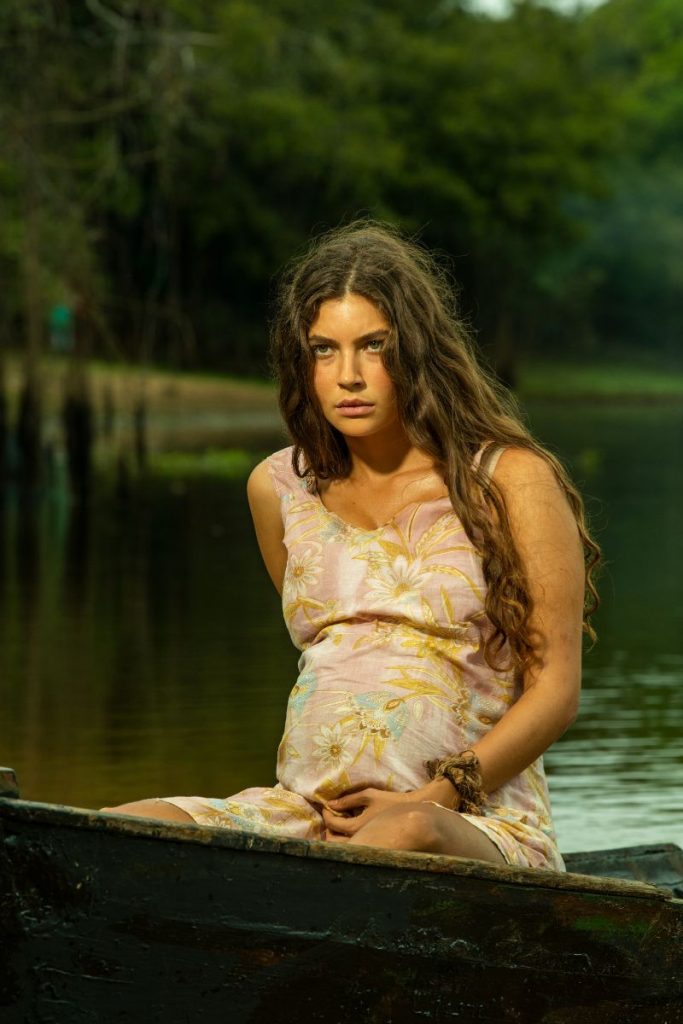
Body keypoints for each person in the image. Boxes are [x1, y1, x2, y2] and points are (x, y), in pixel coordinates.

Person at [102, 222, 599, 870]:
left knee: (402, 838)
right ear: (299, 360)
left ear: (415, 351)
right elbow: (331, 653)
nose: (349, 376)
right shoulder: (278, 487)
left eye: (373, 346)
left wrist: (433, 796)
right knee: (119, 830)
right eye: (323, 350)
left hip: (468, 821)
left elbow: (556, 689)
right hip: (306, 815)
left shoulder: (508, 479)